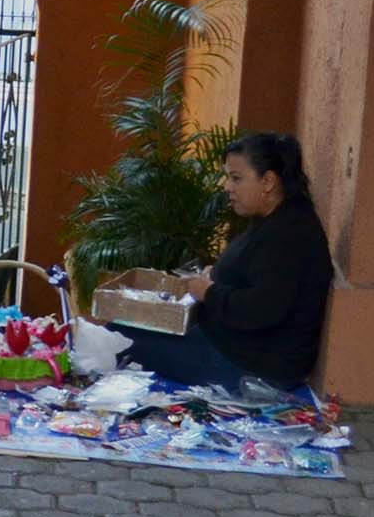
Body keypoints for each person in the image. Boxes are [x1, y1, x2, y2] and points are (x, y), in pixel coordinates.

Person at [119, 131, 334, 390]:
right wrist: (216, 277)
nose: (227, 187)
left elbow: (261, 309)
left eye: (236, 178)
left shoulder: (289, 234)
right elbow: (256, 276)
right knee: (124, 327)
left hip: (252, 367)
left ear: (268, 181)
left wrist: (209, 291)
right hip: (231, 346)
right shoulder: (276, 219)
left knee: (120, 344)